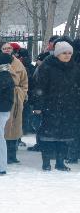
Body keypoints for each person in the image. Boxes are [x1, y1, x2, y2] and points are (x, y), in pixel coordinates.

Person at [30, 40, 78, 171]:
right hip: (50, 107)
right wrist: (38, 107)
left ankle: (60, 162)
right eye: (64, 53)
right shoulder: (47, 66)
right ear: (57, 54)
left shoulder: (74, 68)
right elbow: (40, 88)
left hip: (69, 107)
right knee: (48, 136)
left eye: (69, 53)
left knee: (64, 136)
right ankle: (46, 162)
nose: (67, 55)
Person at [1, 41, 29, 164]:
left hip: (16, 98)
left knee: (15, 127)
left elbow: (25, 81)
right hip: (2, 98)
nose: (7, 50)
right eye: (5, 48)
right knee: (4, 127)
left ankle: (12, 154)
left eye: (9, 48)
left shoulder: (18, 64)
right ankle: (3, 154)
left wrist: (21, 95)